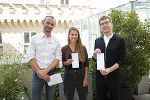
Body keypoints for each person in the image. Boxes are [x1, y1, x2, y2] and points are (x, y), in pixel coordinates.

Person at [27, 16, 61, 100]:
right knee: (35, 98)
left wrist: (46, 71)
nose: (50, 25)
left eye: (52, 24)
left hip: (52, 73)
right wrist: (40, 73)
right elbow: (30, 57)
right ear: (43, 23)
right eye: (48, 23)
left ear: (54, 26)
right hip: (37, 74)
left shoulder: (57, 41)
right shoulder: (34, 39)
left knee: (50, 97)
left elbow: (57, 59)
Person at [93, 15, 126, 100]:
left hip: (114, 78)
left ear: (111, 24)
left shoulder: (120, 40)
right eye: (102, 24)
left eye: (106, 22)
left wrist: (109, 70)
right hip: (100, 78)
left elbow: (122, 60)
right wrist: (94, 54)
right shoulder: (97, 41)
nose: (104, 25)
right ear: (100, 27)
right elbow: (94, 59)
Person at [61, 27, 89, 100]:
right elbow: (61, 63)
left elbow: (86, 64)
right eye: (72, 34)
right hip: (68, 76)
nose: (74, 36)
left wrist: (85, 78)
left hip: (81, 76)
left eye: (76, 34)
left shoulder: (83, 48)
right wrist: (66, 63)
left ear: (78, 36)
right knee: (69, 98)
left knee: (83, 97)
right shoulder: (64, 49)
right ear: (69, 36)